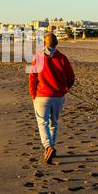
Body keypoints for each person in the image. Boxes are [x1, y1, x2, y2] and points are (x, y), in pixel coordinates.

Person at [29, 33, 75, 164]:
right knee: (53, 123)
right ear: (56, 44)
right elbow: (71, 77)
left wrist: (33, 94)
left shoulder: (38, 57)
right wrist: (65, 88)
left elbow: (32, 77)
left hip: (42, 96)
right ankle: (50, 147)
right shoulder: (62, 58)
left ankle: (48, 146)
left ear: (44, 43)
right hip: (57, 96)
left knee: (42, 123)